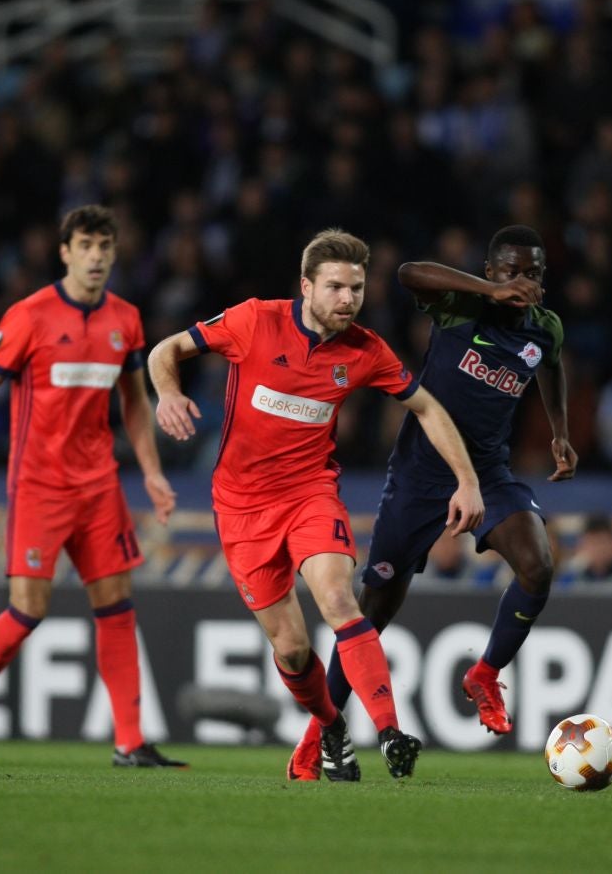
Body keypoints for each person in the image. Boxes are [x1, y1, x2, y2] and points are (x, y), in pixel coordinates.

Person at [147, 228, 485, 782]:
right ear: (305, 286)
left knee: (338, 599)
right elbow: (166, 350)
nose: (348, 299)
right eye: (335, 287)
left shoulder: (365, 351)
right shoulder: (254, 321)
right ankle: (331, 726)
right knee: (292, 649)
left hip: (310, 494)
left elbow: (426, 407)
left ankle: (390, 733)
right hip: (241, 508)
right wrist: (168, 392)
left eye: (356, 288)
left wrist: (466, 480)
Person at [285, 224, 577, 781]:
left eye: (534, 273)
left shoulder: (545, 328)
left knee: (538, 566)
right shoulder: (462, 306)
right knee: (371, 613)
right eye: (511, 271)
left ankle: (484, 673)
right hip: (420, 476)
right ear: (490, 271)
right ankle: (317, 734)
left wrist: (559, 431)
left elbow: (551, 365)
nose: (523, 281)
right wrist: (490, 292)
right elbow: (407, 273)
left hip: (487, 472)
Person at [0, 204, 185, 768]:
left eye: (105, 246)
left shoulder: (126, 319)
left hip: (99, 487)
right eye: (85, 245)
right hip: (39, 486)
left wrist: (151, 472)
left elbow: (134, 402)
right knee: (28, 610)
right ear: (65, 252)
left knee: (116, 605)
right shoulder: (30, 316)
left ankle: (129, 742)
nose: (96, 256)